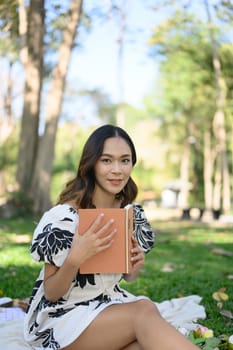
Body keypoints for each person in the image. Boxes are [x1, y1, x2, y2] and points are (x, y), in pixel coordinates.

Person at [24, 124, 199, 350]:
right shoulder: (64, 218)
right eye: (107, 160)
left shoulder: (129, 214)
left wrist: (134, 264)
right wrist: (74, 259)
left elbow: (129, 277)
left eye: (124, 160)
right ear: (91, 164)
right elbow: (52, 293)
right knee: (142, 312)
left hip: (106, 306)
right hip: (60, 318)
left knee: (143, 339)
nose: (117, 169)